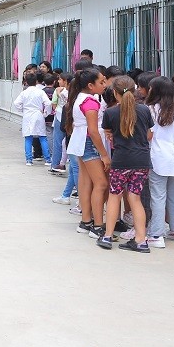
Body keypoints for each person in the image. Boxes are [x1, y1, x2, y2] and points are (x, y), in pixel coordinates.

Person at [96, 75, 154, 252]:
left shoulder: (111, 113)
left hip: (121, 160)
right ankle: (141, 240)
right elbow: (149, 135)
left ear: (115, 92)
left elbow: (107, 133)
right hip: (142, 160)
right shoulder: (144, 110)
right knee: (135, 199)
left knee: (115, 196)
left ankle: (107, 236)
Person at [64, 67, 109, 238]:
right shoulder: (90, 102)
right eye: (101, 82)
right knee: (101, 184)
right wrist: (104, 154)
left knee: (85, 182)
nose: (105, 85)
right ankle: (97, 225)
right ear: (91, 85)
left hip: (80, 142)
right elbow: (93, 131)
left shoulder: (80, 98)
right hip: (89, 143)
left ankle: (86, 221)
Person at [145, 76, 174, 247]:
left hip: (157, 156)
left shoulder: (150, 110)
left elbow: (149, 135)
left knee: (157, 196)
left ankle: (156, 234)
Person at [12, 72, 52, 166]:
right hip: (38, 114)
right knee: (42, 136)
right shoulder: (40, 91)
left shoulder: (24, 93)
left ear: (26, 81)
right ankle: (47, 159)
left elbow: (16, 103)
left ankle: (29, 160)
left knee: (28, 137)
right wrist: (46, 113)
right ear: (36, 81)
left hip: (27, 115)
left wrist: (22, 109)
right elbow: (48, 103)